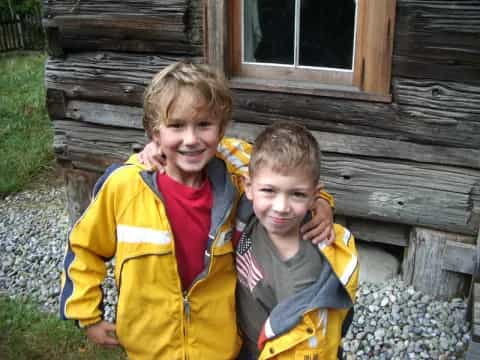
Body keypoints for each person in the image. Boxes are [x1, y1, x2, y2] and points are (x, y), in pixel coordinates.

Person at [59, 61, 335, 359]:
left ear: (221, 129)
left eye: (203, 125)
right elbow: (85, 247)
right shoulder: (125, 186)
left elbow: (287, 173)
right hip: (149, 347)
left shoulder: (236, 177)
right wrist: (88, 314)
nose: (191, 139)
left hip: (217, 346)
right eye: (176, 125)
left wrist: (321, 203)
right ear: (155, 133)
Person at [235, 122, 359, 360]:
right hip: (243, 341)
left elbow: (305, 349)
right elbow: (217, 146)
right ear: (248, 187)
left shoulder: (303, 277)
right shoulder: (250, 214)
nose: (281, 208)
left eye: (297, 194)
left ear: (314, 196)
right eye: (269, 191)